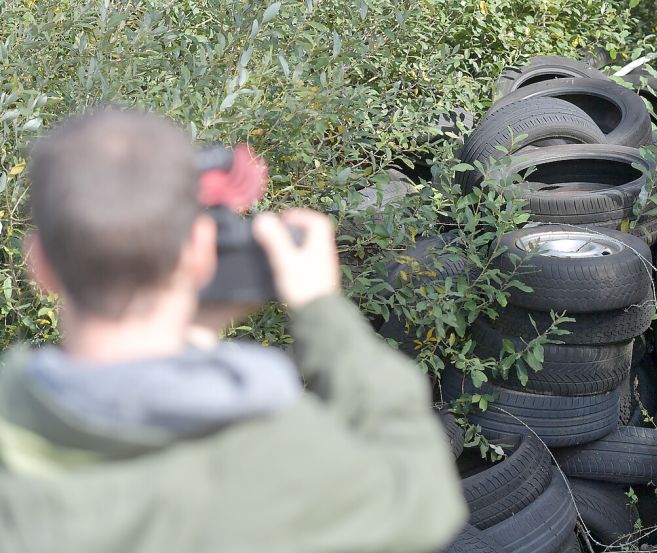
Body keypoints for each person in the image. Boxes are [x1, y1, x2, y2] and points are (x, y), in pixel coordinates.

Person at [0, 110, 467, 552]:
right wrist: (323, 312)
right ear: (200, 252)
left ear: (39, 264)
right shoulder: (278, 451)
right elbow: (423, 498)